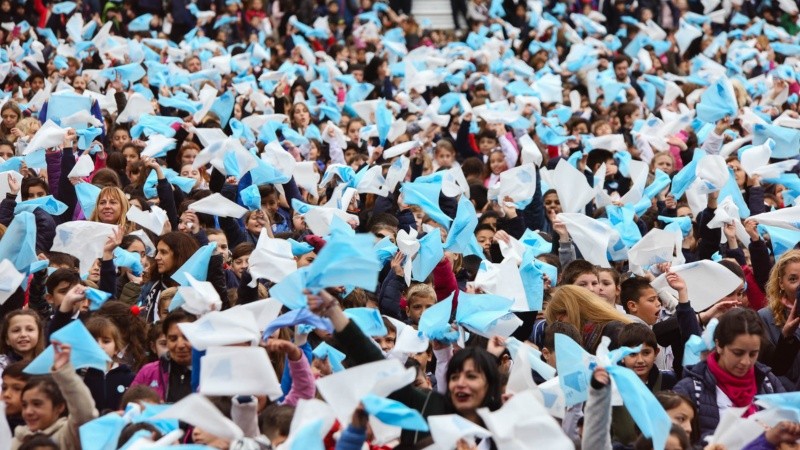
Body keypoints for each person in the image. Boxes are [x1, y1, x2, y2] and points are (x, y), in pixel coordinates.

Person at [673, 308, 785, 439]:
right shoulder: (690, 390)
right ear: (719, 345)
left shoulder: (768, 382)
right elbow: (675, 443)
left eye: (753, 354)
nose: (746, 362)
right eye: (738, 353)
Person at [11, 341, 98, 450]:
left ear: (59, 407)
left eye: (37, 404)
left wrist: (65, 372)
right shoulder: (16, 442)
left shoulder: (68, 436)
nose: (28, 412)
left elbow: (85, 413)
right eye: (24, 405)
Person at [130, 310, 195, 403]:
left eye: (187, 337)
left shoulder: (212, 373)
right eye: (173, 339)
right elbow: (129, 408)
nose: (180, 345)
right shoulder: (148, 372)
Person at [544, 285, 632, 353]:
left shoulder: (614, 329)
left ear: (570, 310)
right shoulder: (585, 335)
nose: (561, 325)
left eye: (560, 320)